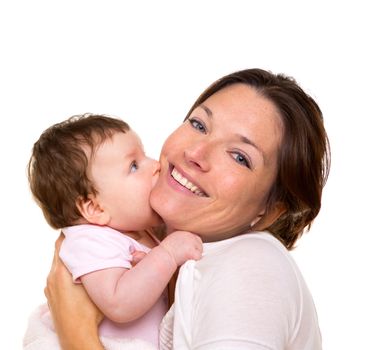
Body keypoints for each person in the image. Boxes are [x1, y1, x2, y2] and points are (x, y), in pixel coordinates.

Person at [44, 68, 330, 350]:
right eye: (199, 125)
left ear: (268, 212)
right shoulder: (137, 238)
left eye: (239, 157)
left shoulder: (251, 266)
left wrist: (76, 333)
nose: (195, 154)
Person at [24, 114, 203, 349]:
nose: (155, 165)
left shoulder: (138, 230)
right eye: (134, 166)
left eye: (145, 155)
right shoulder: (89, 240)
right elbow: (119, 303)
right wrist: (168, 254)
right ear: (95, 208)